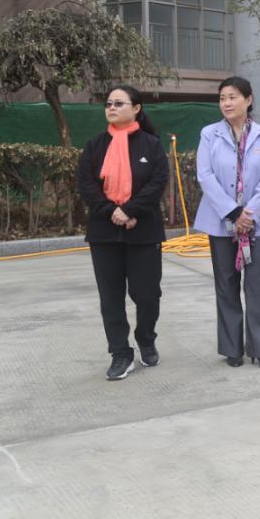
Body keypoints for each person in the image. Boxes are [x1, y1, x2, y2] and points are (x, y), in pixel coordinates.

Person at [76, 85, 169, 381]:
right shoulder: (95, 145)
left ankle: (146, 338)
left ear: (136, 108)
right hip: (104, 233)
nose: (112, 108)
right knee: (111, 298)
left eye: (119, 103)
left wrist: (130, 210)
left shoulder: (151, 145)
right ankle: (120, 353)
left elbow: (157, 182)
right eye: (108, 104)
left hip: (144, 232)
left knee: (147, 294)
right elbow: (86, 185)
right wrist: (112, 212)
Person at [195, 77, 260, 369]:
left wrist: (249, 213)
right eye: (222, 98)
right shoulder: (209, 134)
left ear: (248, 99)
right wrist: (233, 212)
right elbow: (205, 176)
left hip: (258, 222)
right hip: (221, 222)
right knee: (226, 284)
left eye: (232, 97)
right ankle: (232, 348)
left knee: (258, 285)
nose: (226, 103)